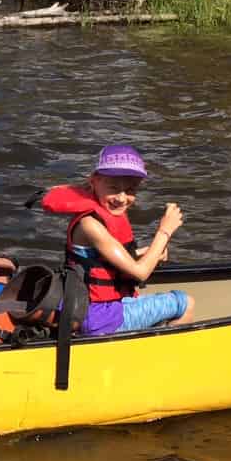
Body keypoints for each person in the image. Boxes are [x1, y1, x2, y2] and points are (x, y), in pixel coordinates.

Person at [38, 144, 194, 336]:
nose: (121, 198)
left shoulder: (100, 215)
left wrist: (146, 252)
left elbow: (102, 260)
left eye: (130, 190)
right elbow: (140, 273)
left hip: (96, 311)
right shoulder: (90, 225)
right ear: (94, 181)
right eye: (113, 188)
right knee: (185, 302)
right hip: (99, 317)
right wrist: (164, 231)